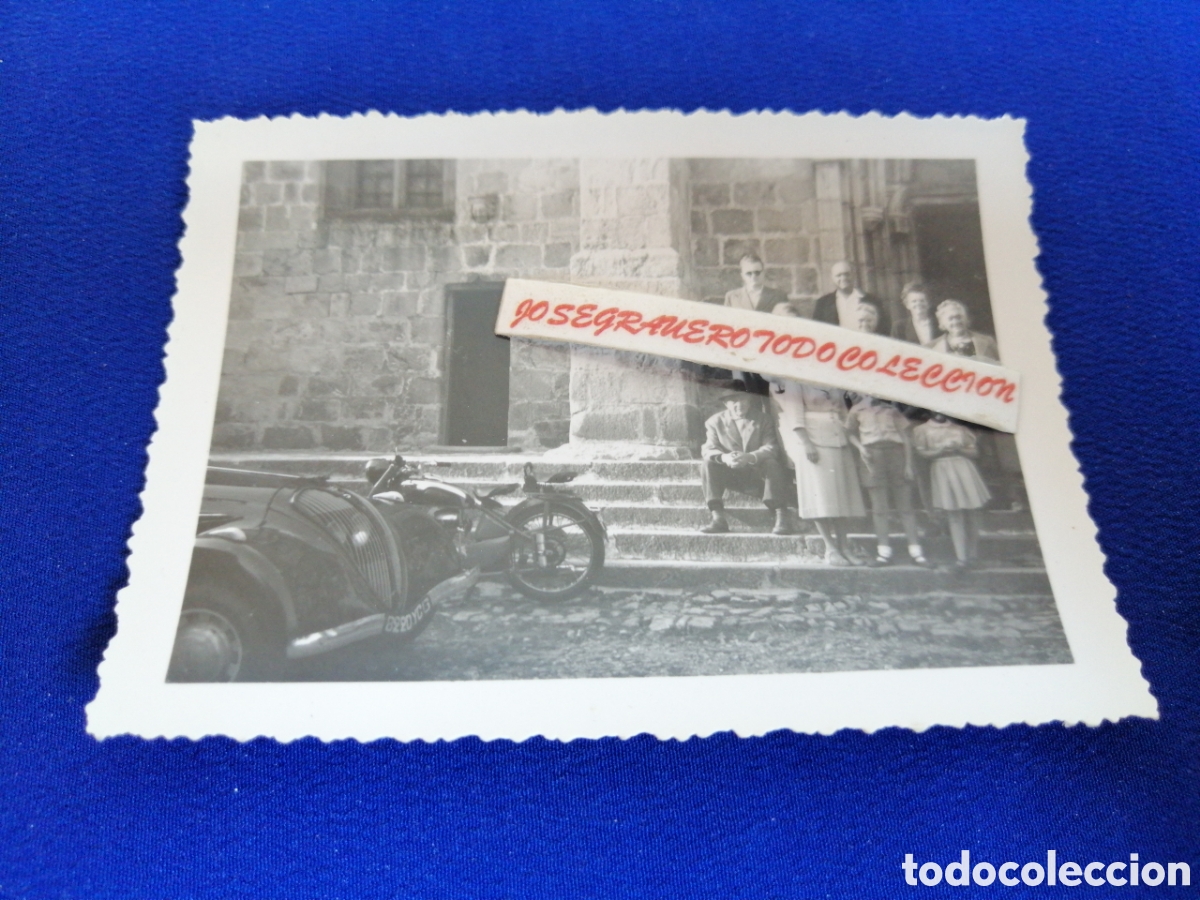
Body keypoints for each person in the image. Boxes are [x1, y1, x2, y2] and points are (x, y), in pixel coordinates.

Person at [774, 380, 865, 565]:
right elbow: (794, 417)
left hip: (840, 439)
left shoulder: (833, 381)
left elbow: (842, 412)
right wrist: (807, 443)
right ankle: (830, 549)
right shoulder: (796, 382)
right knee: (820, 497)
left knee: (842, 498)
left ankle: (844, 547)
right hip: (814, 443)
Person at [699, 383, 794, 535]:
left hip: (757, 472)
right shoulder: (715, 421)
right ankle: (717, 517)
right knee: (708, 463)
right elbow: (708, 448)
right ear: (725, 403)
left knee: (772, 463)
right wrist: (724, 457)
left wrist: (750, 457)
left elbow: (771, 447)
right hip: (731, 472)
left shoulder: (763, 419)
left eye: (743, 399)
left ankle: (781, 514)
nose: (739, 404)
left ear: (749, 400)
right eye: (733, 401)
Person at [847, 396, 927, 566]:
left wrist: (908, 465)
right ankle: (884, 553)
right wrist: (861, 448)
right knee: (879, 508)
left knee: (905, 506)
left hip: (896, 455)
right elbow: (849, 433)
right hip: (872, 457)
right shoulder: (857, 410)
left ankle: (916, 552)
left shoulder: (892, 409)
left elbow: (905, 437)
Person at [912, 414, 991, 569]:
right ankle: (961, 558)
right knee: (954, 514)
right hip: (942, 469)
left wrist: (959, 449)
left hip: (964, 469)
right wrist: (940, 451)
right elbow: (922, 453)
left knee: (973, 513)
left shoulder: (960, 429)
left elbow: (974, 452)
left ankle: (973, 556)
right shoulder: (922, 430)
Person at [812, 261, 893, 336]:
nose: (843, 278)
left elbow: (883, 329)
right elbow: (817, 331)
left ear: (853, 275)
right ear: (832, 278)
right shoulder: (823, 303)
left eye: (847, 274)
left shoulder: (872, 300)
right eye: (838, 275)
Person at [926, 299, 999, 360]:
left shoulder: (988, 341)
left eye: (959, 317)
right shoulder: (931, 348)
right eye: (951, 319)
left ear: (966, 318)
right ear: (943, 323)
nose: (956, 322)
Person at [724, 252, 791, 313]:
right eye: (749, 273)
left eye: (757, 272)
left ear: (763, 273)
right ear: (742, 275)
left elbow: (787, 322)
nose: (753, 277)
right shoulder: (732, 297)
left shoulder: (779, 296)